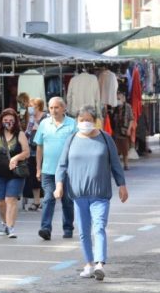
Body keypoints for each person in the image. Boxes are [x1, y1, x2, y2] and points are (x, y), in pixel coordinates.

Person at [55, 105, 128, 281]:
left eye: (88, 120)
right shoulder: (71, 139)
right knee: (83, 231)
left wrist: (122, 185)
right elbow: (62, 165)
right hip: (78, 194)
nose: (85, 123)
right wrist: (59, 185)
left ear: (95, 121)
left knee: (99, 227)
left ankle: (99, 264)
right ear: (77, 122)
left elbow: (116, 164)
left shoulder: (105, 138)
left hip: (100, 194)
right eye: (82, 120)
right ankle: (88, 263)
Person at [34, 97, 77, 240]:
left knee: (67, 200)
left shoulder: (72, 124)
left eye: (57, 107)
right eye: (51, 108)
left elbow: (78, 146)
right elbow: (39, 147)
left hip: (68, 171)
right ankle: (45, 228)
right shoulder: (44, 124)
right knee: (48, 199)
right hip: (48, 170)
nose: (53, 110)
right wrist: (38, 168)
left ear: (64, 108)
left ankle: (68, 228)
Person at [0, 108, 30, 238]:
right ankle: (5, 223)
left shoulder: (20, 134)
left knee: (11, 199)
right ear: (1, 121)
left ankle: (11, 227)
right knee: (0, 202)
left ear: (15, 121)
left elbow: (26, 152)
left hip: (15, 173)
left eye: (11, 120)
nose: (8, 122)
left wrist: (16, 158)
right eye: (5, 120)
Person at [24, 98, 47, 211]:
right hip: (31, 149)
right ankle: (36, 201)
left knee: (44, 175)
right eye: (29, 106)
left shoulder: (46, 117)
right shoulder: (30, 118)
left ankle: (46, 200)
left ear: (38, 106)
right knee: (33, 176)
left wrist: (38, 128)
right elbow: (27, 133)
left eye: (31, 105)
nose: (29, 108)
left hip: (44, 150)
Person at [110, 92, 134, 170]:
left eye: (119, 98)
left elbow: (131, 119)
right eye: (117, 99)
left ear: (124, 98)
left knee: (125, 149)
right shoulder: (115, 107)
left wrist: (129, 129)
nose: (118, 100)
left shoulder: (128, 107)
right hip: (116, 131)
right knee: (116, 149)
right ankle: (117, 166)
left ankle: (126, 165)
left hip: (124, 130)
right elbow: (112, 119)